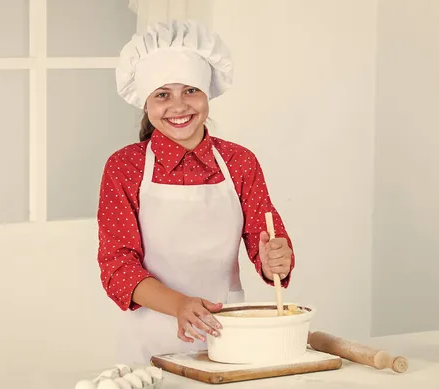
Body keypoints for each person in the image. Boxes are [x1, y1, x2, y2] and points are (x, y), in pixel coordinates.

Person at [97, 19, 295, 365]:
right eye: (162, 95)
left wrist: (274, 259)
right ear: (146, 104)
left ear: (207, 94)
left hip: (229, 335)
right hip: (149, 342)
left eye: (190, 90)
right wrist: (179, 306)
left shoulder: (239, 161)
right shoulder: (124, 168)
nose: (179, 106)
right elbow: (117, 268)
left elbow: (265, 240)